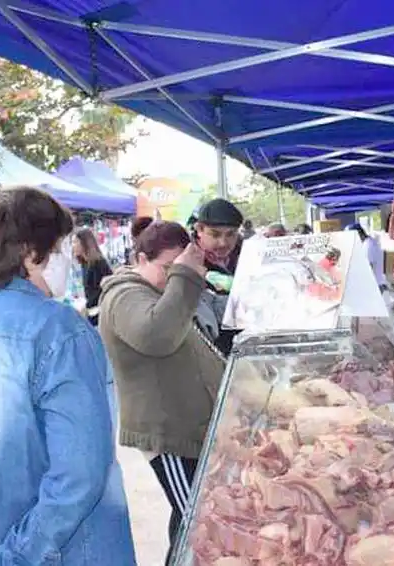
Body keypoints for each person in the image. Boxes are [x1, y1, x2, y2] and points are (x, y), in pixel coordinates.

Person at [0, 186, 136, 564]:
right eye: (61, 248)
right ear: (32, 254)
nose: (67, 260)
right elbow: (78, 476)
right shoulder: (59, 330)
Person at [98, 220, 224, 564]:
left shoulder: (156, 291)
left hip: (191, 429)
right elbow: (156, 336)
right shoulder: (124, 293)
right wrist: (184, 277)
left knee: (189, 523)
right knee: (200, 527)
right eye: (167, 268)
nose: (173, 277)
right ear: (140, 258)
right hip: (168, 435)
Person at [193, 198, 245, 354]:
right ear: (199, 229)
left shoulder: (247, 257)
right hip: (210, 352)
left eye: (231, 234)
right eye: (215, 235)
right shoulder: (187, 263)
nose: (223, 243)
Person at [73, 227, 113, 325]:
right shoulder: (84, 263)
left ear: (84, 243)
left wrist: (86, 306)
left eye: (75, 242)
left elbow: (104, 289)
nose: (73, 246)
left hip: (102, 314)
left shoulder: (98, 263)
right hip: (92, 312)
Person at [346, 222, 388, 292]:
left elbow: (368, 268)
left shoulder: (368, 246)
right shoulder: (371, 242)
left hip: (374, 286)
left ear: (358, 233)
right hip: (376, 283)